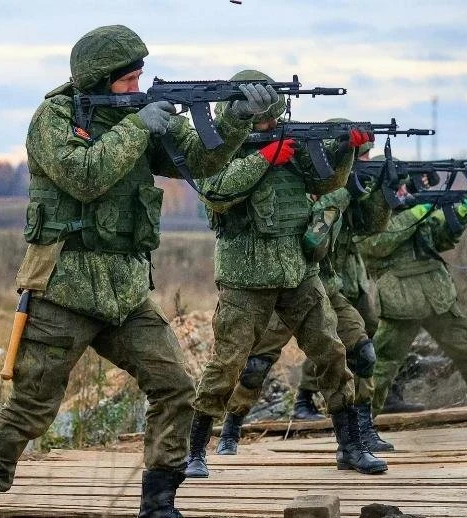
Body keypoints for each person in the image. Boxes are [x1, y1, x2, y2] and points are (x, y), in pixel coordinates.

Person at [0, 26, 278, 518]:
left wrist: (235, 119)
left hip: (126, 293)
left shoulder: (142, 115)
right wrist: (139, 126)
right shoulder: (55, 117)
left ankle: (159, 502)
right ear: (98, 80)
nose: (136, 87)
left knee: (174, 389)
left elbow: (202, 162)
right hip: (62, 288)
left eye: (139, 77)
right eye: (127, 79)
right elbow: (84, 176)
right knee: (31, 407)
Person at [187, 71, 387, 479]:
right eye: (264, 120)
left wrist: (344, 150)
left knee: (332, 354)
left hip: (298, 272)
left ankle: (351, 446)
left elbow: (326, 182)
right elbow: (216, 192)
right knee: (228, 364)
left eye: (274, 118)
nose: (272, 125)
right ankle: (195, 451)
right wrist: (265, 158)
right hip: (245, 278)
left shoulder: (287, 147)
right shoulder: (216, 150)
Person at [215, 141, 396, 457]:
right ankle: (231, 428)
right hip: (289, 287)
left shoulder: (346, 190)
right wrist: (343, 195)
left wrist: (383, 192)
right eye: (359, 155)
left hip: (327, 289)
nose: (364, 161)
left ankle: (361, 431)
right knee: (256, 365)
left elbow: (372, 225)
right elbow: (312, 240)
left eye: (366, 155)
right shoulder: (311, 184)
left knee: (363, 353)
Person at [358, 184, 467, 427]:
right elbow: (376, 245)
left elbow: (440, 240)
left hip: (437, 295)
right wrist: (418, 212)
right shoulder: (370, 213)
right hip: (402, 299)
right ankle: (361, 424)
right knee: (383, 363)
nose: (403, 191)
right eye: (397, 186)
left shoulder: (411, 210)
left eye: (404, 186)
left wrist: (458, 213)